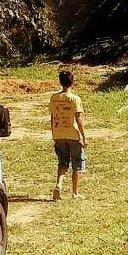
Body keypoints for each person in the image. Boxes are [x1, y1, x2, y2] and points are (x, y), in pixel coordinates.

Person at [49, 69, 86, 200]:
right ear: (72, 82)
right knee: (77, 162)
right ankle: (74, 192)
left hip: (58, 133)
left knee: (62, 162)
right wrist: (83, 137)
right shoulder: (75, 99)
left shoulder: (54, 98)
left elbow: (53, 117)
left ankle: (58, 184)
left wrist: (53, 133)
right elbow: (78, 119)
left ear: (60, 82)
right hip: (73, 134)